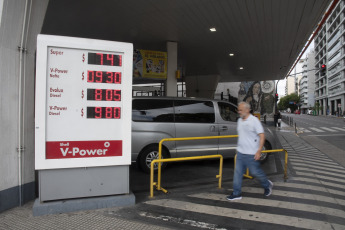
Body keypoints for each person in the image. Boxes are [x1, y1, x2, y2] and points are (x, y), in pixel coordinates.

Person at [227, 102, 273, 201]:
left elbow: (262, 135)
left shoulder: (254, 121)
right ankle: (236, 193)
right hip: (240, 152)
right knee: (237, 174)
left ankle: (267, 184)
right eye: (238, 110)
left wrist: (259, 151)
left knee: (255, 172)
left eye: (241, 110)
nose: (238, 112)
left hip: (251, 153)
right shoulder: (239, 120)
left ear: (247, 110)